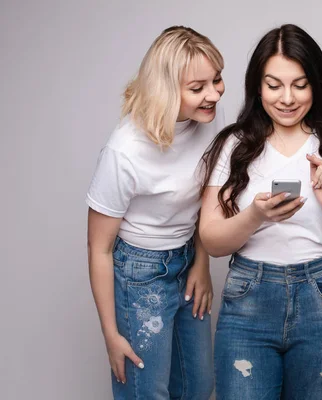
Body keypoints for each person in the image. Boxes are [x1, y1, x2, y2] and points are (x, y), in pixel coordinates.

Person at [199, 24, 322, 399]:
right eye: (273, 85)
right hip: (248, 300)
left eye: (300, 84)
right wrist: (255, 217)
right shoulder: (234, 144)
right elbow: (212, 240)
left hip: (321, 300)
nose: (286, 98)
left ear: (315, 83)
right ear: (257, 86)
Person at [86, 26, 225, 400]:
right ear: (165, 90)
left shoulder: (207, 123)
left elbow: (204, 203)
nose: (213, 93)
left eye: (217, 79)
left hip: (186, 260)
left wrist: (201, 263)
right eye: (198, 88)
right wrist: (111, 335)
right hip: (140, 275)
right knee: (147, 393)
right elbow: (99, 249)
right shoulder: (125, 150)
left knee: (198, 386)